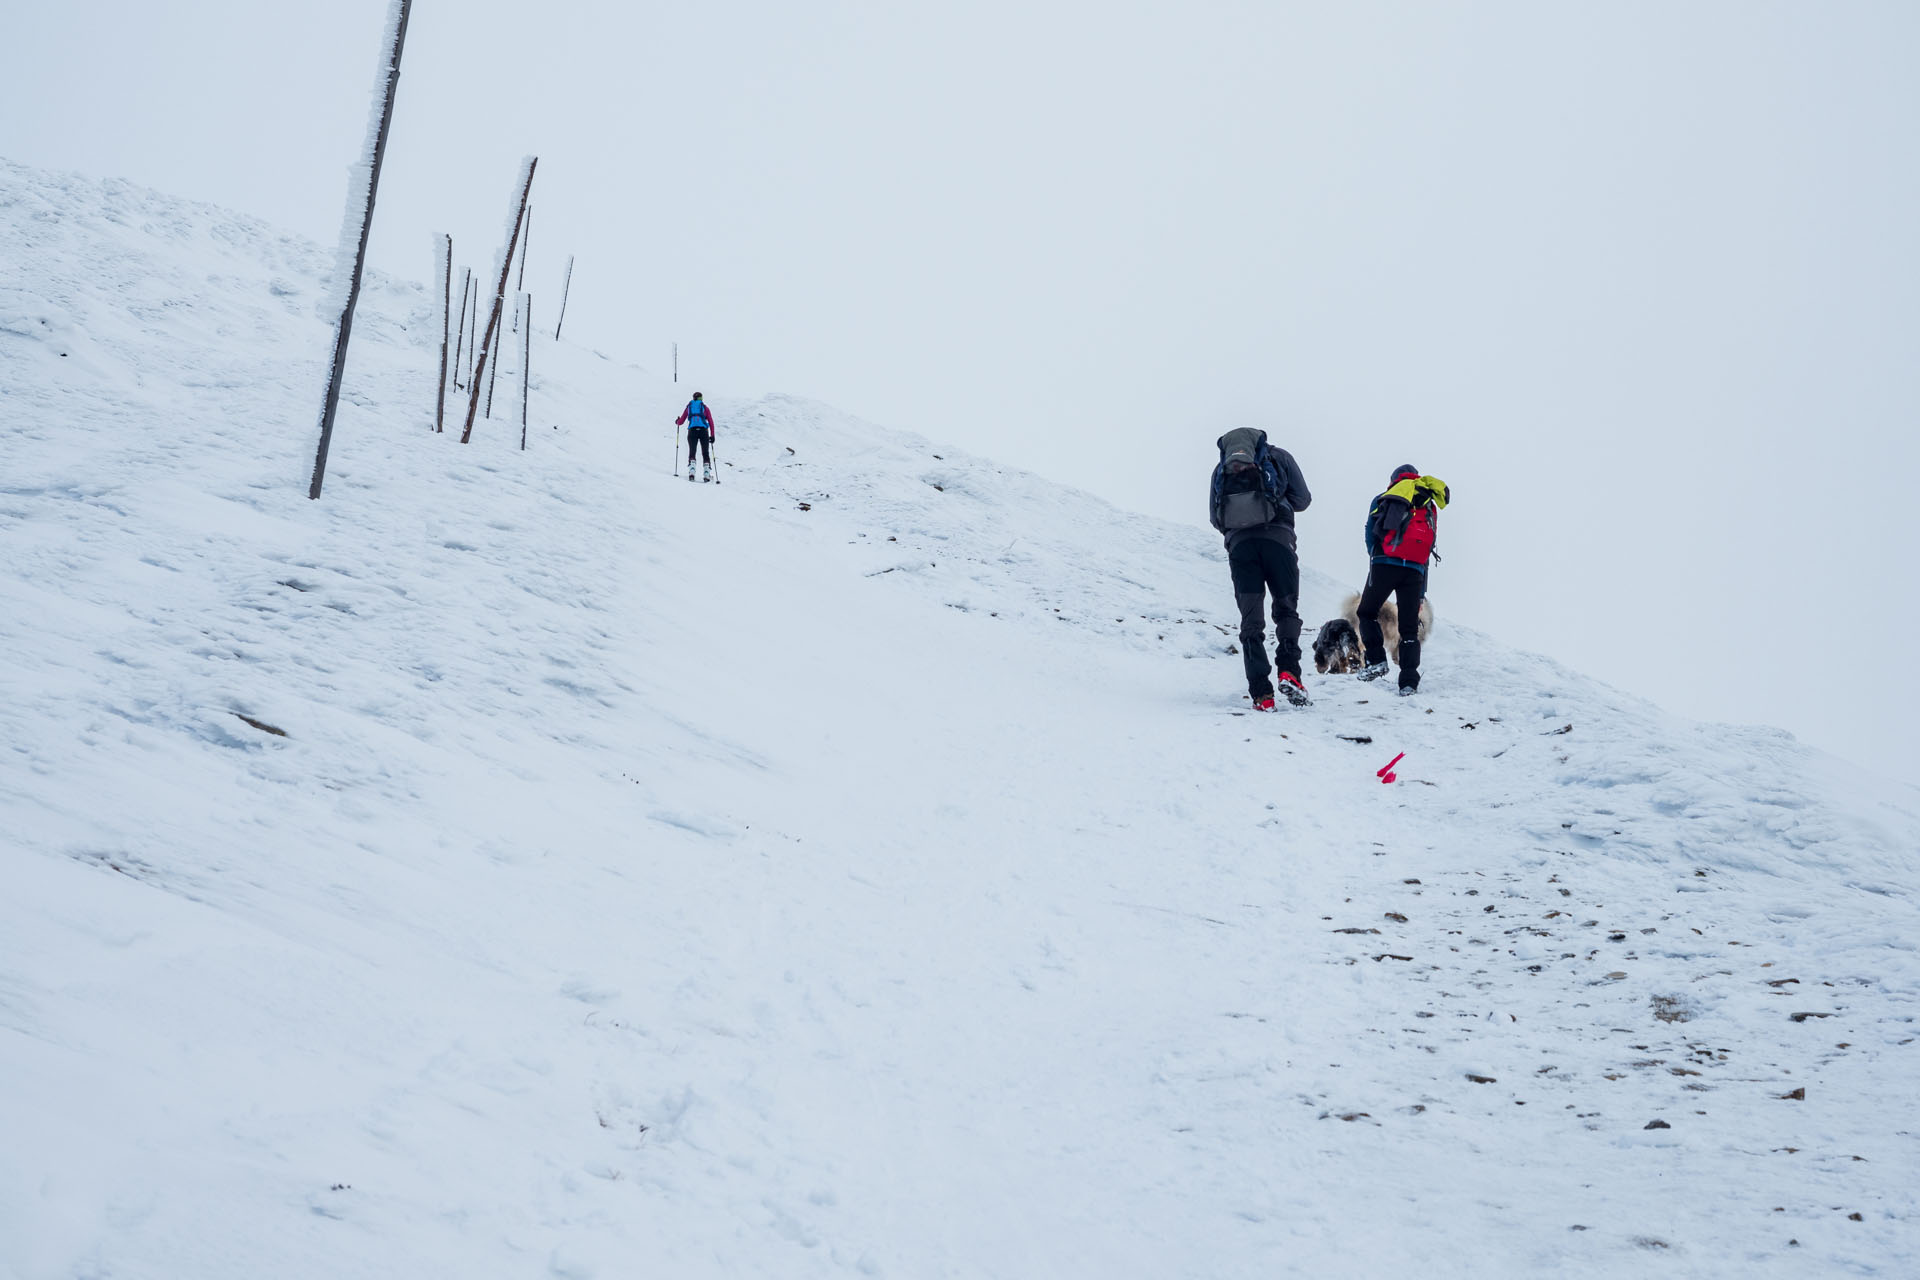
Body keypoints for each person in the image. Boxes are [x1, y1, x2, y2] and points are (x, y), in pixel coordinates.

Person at [1209, 427, 1313, 710]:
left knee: (1251, 621)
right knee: (1286, 609)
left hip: (1241, 548)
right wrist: (1276, 506)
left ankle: (1261, 694)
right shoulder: (1279, 457)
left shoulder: (1223, 468)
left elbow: (1215, 518)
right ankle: (1289, 670)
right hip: (1278, 541)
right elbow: (1303, 500)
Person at [1357, 464, 1450, 693]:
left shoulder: (1384, 498)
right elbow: (1429, 543)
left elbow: (1371, 532)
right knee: (1409, 628)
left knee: (1366, 612)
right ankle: (1408, 681)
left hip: (1384, 564)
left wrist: (1376, 556)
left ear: (1393, 479)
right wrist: (1421, 592)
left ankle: (1376, 660)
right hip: (1415, 571)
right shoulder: (1428, 503)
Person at [676, 392, 715, 482]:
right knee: (705, 453)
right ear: (701, 398)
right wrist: (712, 435)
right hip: (703, 431)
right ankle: (706, 474)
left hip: (692, 431)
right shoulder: (705, 408)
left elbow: (681, 421)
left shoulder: (689, 407)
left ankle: (692, 472)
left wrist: (677, 421)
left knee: (692, 451)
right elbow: (711, 422)